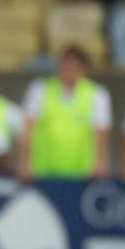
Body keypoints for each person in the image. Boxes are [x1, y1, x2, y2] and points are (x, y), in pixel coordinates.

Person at [19, 45, 112, 181]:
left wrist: (100, 164)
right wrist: (25, 163)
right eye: (66, 65)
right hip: (44, 173)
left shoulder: (97, 95)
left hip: (81, 175)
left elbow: (101, 134)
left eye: (74, 66)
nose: (69, 71)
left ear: (83, 69)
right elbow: (28, 130)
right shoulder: (40, 90)